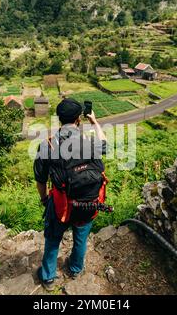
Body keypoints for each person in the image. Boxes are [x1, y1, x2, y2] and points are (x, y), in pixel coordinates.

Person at [34, 98, 107, 291]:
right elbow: (105, 143)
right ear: (78, 119)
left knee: (53, 239)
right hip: (88, 203)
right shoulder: (90, 143)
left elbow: (40, 179)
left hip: (60, 206)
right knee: (81, 238)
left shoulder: (47, 146)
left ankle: (48, 277)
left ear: (59, 119)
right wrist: (95, 122)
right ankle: (75, 269)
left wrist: (44, 199)